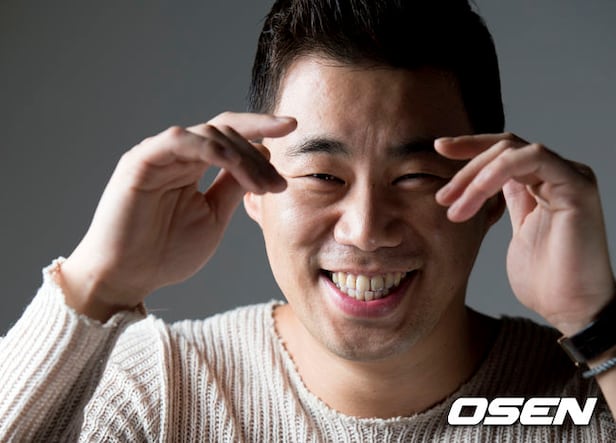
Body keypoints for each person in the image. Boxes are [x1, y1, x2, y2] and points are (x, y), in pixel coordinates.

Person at [1, 0, 615, 440]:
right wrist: (97, 285)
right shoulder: (157, 392)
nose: (365, 228)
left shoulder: (588, 395)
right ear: (250, 181)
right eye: (323, 176)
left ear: (493, 194)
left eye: (416, 178)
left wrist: (596, 321)